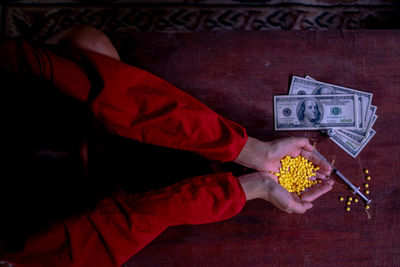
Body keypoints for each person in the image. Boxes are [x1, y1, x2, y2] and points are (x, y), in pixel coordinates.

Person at [0, 25, 333, 267]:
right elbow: (127, 222)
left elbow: (132, 100)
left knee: (90, 43)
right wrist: (247, 188)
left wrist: (250, 150)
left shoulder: (12, 67)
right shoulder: (33, 244)